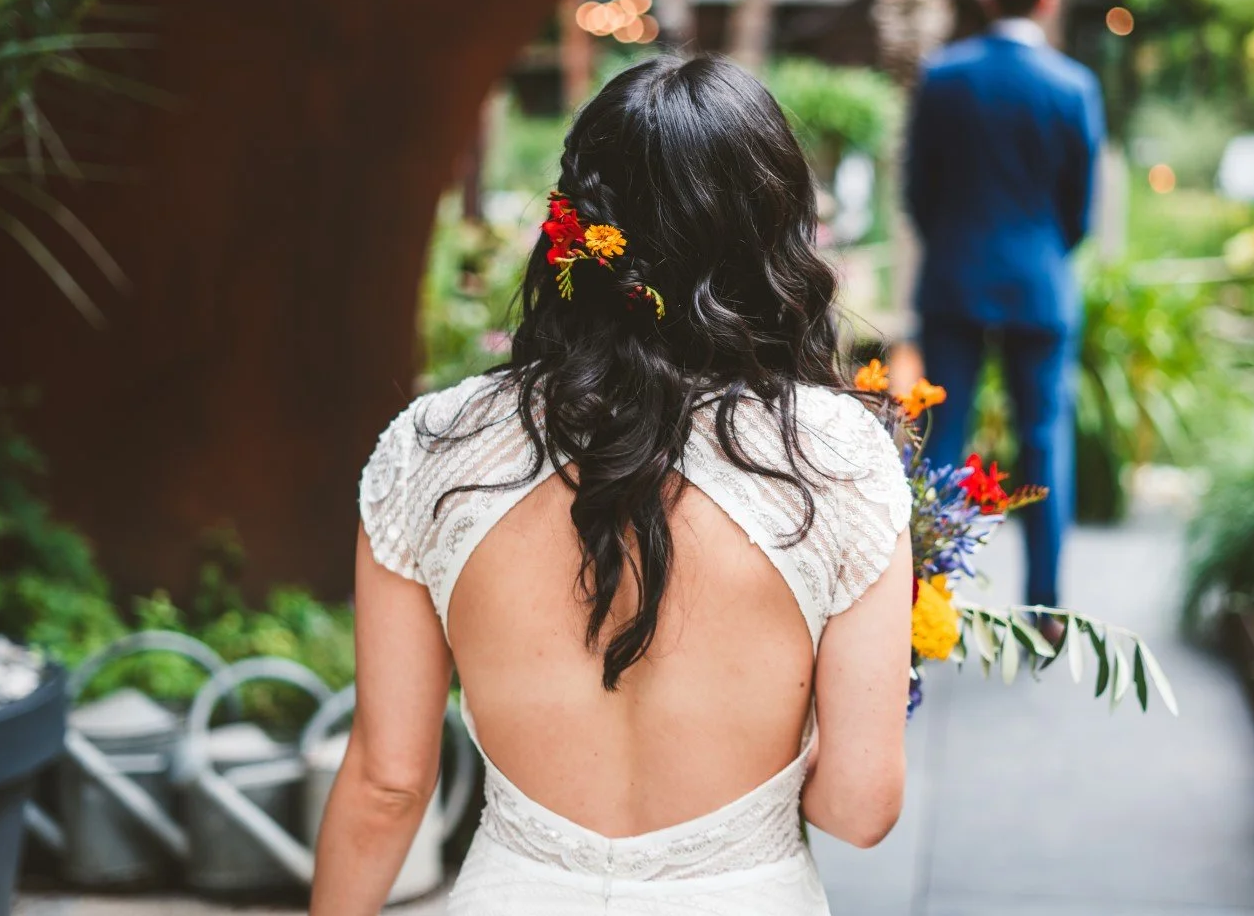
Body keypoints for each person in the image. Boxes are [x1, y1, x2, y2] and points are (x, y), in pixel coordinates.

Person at [310, 54, 914, 915]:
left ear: (576, 227)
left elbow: (388, 784)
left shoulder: (430, 452)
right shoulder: (834, 462)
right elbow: (860, 809)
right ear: (771, 234)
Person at [904, 0, 1104, 624]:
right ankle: (1047, 606)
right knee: (1044, 439)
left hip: (955, 277)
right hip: (1040, 285)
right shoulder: (1074, 86)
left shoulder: (942, 77)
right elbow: (1080, 211)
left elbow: (918, 193)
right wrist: (1045, 253)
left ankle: (923, 598)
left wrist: (955, 244)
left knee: (946, 441)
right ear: (1047, 0)